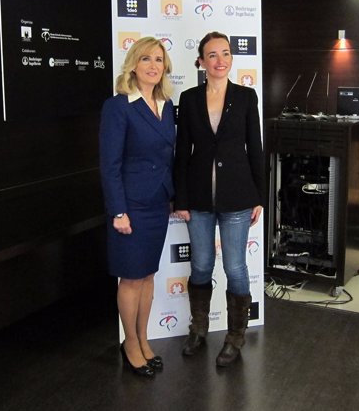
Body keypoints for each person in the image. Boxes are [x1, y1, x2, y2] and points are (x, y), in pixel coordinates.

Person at [174, 31, 264, 367]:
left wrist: (259, 196)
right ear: (201, 61)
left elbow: (254, 147)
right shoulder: (189, 97)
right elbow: (182, 153)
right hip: (197, 197)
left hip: (238, 196)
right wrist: (180, 199)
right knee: (200, 264)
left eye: (225, 53)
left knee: (236, 267)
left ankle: (235, 337)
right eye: (212, 54)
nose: (220, 60)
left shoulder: (245, 96)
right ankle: (198, 329)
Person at [99, 36, 176, 377]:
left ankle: (144, 339)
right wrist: (118, 211)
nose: (153, 66)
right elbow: (109, 164)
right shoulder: (118, 106)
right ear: (133, 64)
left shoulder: (166, 104)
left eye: (159, 60)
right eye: (146, 59)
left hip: (158, 203)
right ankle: (130, 343)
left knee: (147, 276)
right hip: (129, 208)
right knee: (130, 279)